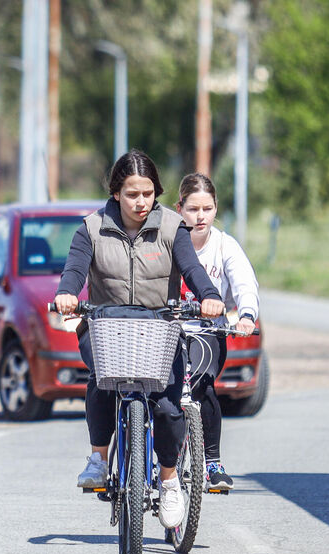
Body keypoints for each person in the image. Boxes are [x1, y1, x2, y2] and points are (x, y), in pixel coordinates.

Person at [54, 150, 225, 529]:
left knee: (166, 406)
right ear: (116, 192)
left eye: (148, 193)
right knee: (100, 378)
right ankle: (99, 458)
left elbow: (192, 268)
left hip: (159, 328)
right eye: (132, 194)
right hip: (107, 327)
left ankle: (168, 481)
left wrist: (209, 295)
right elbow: (75, 270)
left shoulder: (171, 227)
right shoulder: (91, 228)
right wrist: (67, 294)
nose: (141, 202)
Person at [175, 173, 259, 491]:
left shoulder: (224, 245)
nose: (200, 217)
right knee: (157, 394)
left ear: (215, 209)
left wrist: (246, 315)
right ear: (179, 208)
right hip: (168, 330)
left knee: (204, 384)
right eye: (193, 209)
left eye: (207, 209)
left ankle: (212, 462)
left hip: (206, 333)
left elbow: (244, 283)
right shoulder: (167, 240)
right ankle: (155, 463)